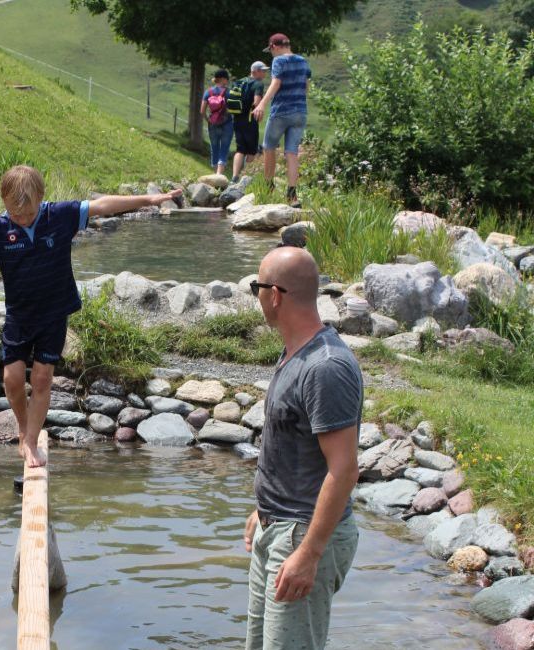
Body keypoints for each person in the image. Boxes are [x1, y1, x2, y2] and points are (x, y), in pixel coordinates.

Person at [0, 165, 182, 468]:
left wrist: (149, 200)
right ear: (3, 203)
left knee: (42, 378)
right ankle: (22, 425)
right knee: (12, 379)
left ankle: (30, 440)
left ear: (41, 198)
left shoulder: (59, 215)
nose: (24, 219)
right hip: (20, 315)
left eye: (29, 214)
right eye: (17, 216)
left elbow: (103, 205)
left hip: (55, 312)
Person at [243, 246, 361, 650]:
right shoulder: (295, 351)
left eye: (256, 287)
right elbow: (290, 443)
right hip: (277, 525)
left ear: (275, 294)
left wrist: (309, 553)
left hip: (302, 535)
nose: (256, 296)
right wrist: (263, 510)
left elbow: (343, 470)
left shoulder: (325, 367)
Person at [253, 34, 312, 208]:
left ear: (274, 46)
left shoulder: (278, 61)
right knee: (292, 152)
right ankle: (292, 194)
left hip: (281, 111)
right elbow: (306, 86)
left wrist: (262, 104)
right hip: (300, 112)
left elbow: (276, 83)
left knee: (268, 146)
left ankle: (268, 185)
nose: (271, 54)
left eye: (270, 50)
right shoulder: (303, 61)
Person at [231, 61, 268, 183]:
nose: (265, 73)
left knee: (240, 149)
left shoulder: (239, 81)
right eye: (263, 70)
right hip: (250, 120)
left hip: (236, 119)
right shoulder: (258, 84)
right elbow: (257, 103)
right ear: (255, 71)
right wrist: (259, 113)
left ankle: (235, 176)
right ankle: (244, 178)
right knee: (251, 150)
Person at [200, 69, 234, 176]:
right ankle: (219, 174)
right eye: (227, 79)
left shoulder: (208, 92)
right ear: (223, 79)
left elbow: (202, 111)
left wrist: (209, 120)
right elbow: (233, 110)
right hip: (227, 124)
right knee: (224, 149)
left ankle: (215, 175)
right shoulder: (229, 92)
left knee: (214, 148)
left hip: (213, 124)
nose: (227, 81)